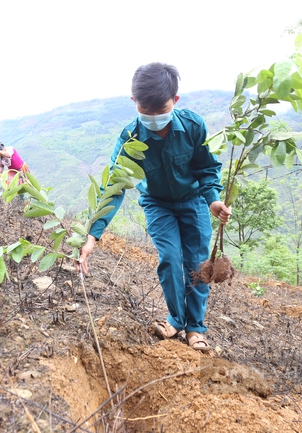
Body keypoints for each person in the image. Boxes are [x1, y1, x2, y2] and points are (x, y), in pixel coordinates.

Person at [77, 62, 231, 351]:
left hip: (194, 200)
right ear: (134, 102)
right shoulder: (129, 139)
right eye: (145, 111)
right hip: (157, 204)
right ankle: (176, 319)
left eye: (160, 110)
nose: (153, 117)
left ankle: (196, 328)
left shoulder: (193, 126)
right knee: (170, 259)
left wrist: (213, 200)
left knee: (198, 263)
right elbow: (114, 185)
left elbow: (207, 169)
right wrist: (92, 236)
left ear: (175, 101)